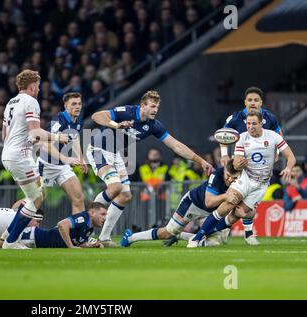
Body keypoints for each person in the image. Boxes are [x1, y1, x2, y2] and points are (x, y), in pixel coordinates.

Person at [87, 90, 213, 247]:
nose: (155, 110)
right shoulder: (128, 112)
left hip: (114, 154)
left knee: (125, 195)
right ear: (142, 106)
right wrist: (116, 124)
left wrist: (201, 161)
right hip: (98, 148)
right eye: (152, 106)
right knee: (115, 187)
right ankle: (86, 233)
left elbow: (176, 145)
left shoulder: (154, 126)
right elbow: (96, 116)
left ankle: (104, 237)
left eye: (157, 107)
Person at [188, 112, 296, 248]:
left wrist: (288, 168)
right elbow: (236, 162)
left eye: (254, 123)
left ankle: (209, 233)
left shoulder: (273, 136)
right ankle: (197, 238)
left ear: (261, 123)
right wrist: (237, 163)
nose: (250, 126)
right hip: (245, 178)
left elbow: (291, 157)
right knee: (228, 204)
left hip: (261, 184)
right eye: (248, 124)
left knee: (238, 214)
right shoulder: (242, 138)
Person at [1, 69, 69, 249]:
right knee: (36, 198)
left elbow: (4, 134)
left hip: (8, 153)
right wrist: (57, 137)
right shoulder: (31, 102)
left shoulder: (10, 102)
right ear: (32, 87)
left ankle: (9, 233)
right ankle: (11, 241)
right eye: (38, 86)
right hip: (20, 156)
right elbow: (35, 131)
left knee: (37, 195)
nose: (39, 90)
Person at [120, 159, 241, 248]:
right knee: (167, 232)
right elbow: (208, 202)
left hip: (211, 213)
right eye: (228, 176)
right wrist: (226, 196)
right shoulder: (216, 175)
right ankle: (130, 237)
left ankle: (180, 236)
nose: (230, 180)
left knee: (214, 243)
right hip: (193, 204)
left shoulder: (242, 180)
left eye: (234, 178)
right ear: (224, 170)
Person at [220, 86, 282, 245]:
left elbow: (278, 135)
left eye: (256, 100)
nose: (253, 103)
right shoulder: (235, 118)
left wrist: (277, 153)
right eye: (250, 100)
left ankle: (241, 231)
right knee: (234, 199)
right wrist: (224, 155)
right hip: (239, 164)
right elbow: (222, 135)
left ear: (261, 102)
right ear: (245, 102)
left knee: (246, 203)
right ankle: (230, 229)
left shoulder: (270, 118)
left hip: (260, 167)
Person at [0, 202, 107, 249]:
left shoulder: (13, 222)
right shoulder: (17, 219)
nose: (37, 224)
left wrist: (87, 246)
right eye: (36, 220)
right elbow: (62, 225)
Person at [38, 92, 88, 214]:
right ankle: (9, 219)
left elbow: (74, 139)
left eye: (79, 104)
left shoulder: (78, 122)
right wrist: (65, 159)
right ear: (66, 105)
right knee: (35, 200)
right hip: (47, 165)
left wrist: (81, 159)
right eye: (74, 104)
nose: (77, 107)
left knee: (78, 198)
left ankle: (78, 232)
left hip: (62, 166)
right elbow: (45, 143)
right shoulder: (59, 119)